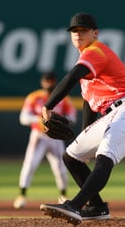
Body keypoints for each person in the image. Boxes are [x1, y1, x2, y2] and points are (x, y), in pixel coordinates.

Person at [39, 12, 125, 224]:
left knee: (105, 156)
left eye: (83, 30)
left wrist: (48, 105)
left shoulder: (95, 51)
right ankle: (97, 207)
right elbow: (89, 105)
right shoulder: (87, 62)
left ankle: (74, 206)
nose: (78, 34)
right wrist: (86, 136)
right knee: (71, 156)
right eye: (74, 31)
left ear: (95, 33)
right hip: (114, 114)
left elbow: (72, 76)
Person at [13, 72, 77, 209]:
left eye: (51, 81)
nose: (49, 84)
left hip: (55, 137)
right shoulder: (34, 97)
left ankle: (63, 196)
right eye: (47, 81)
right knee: (30, 164)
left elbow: (72, 117)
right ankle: (22, 195)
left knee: (60, 167)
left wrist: (61, 121)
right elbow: (23, 118)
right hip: (38, 136)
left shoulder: (63, 98)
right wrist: (39, 120)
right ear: (43, 82)